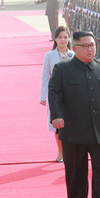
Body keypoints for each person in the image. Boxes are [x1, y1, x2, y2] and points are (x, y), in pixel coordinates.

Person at [48, 31, 100, 198]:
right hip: (74, 130)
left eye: (92, 45)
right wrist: (56, 116)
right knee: (75, 173)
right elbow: (54, 93)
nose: (91, 49)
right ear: (75, 48)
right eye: (86, 46)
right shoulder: (62, 69)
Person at [40, 26, 74, 163]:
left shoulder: (73, 55)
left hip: (72, 96)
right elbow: (45, 76)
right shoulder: (50, 56)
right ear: (55, 39)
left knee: (71, 125)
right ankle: (60, 151)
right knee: (58, 125)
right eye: (60, 37)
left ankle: (70, 151)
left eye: (65, 37)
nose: (63, 40)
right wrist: (43, 96)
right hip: (56, 96)